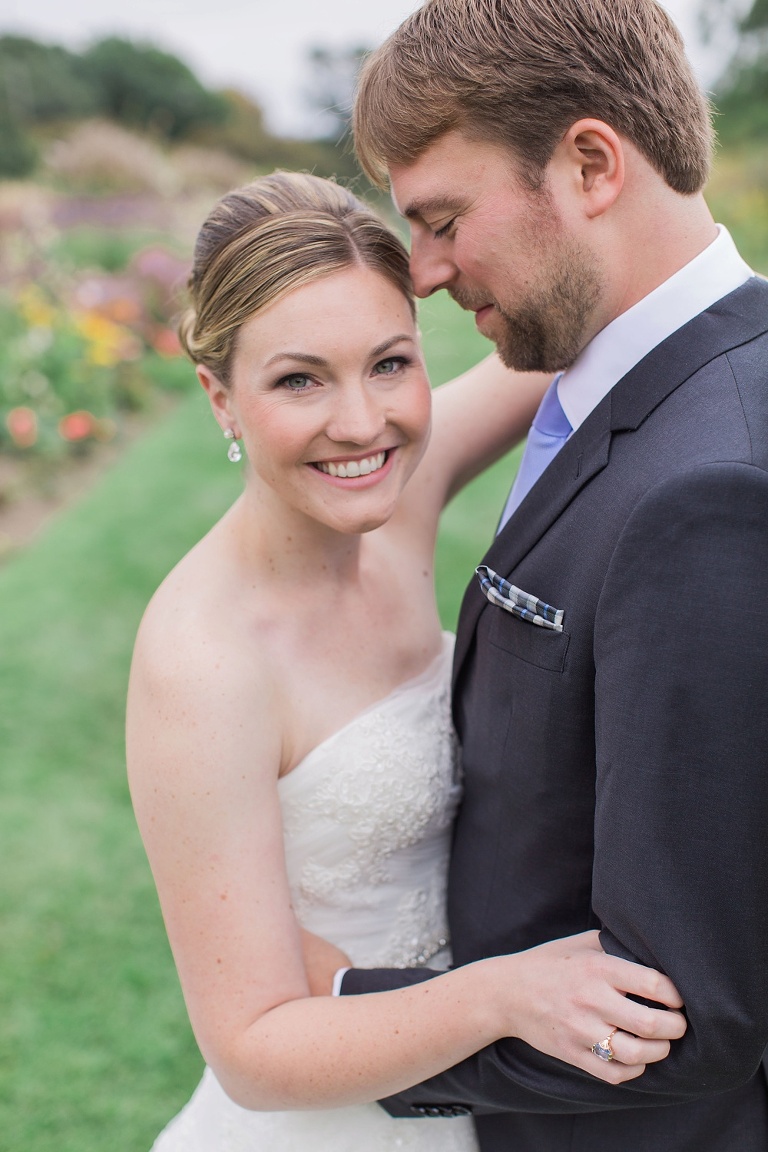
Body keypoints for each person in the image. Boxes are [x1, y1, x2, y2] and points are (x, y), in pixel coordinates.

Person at [126, 171, 686, 1152]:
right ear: (220, 396)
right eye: (299, 379)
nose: (361, 423)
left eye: (389, 363)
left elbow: (595, 320)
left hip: (489, 1102)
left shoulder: (396, 493)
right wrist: (506, 996)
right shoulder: (203, 662)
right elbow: (253, 1051)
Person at [329, 0, 768, 1148]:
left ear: (587, 164)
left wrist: (341, 1024)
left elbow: (683, 1010)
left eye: (441, 219)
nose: (421, 274)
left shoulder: (708, 491)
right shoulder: (636, 368)